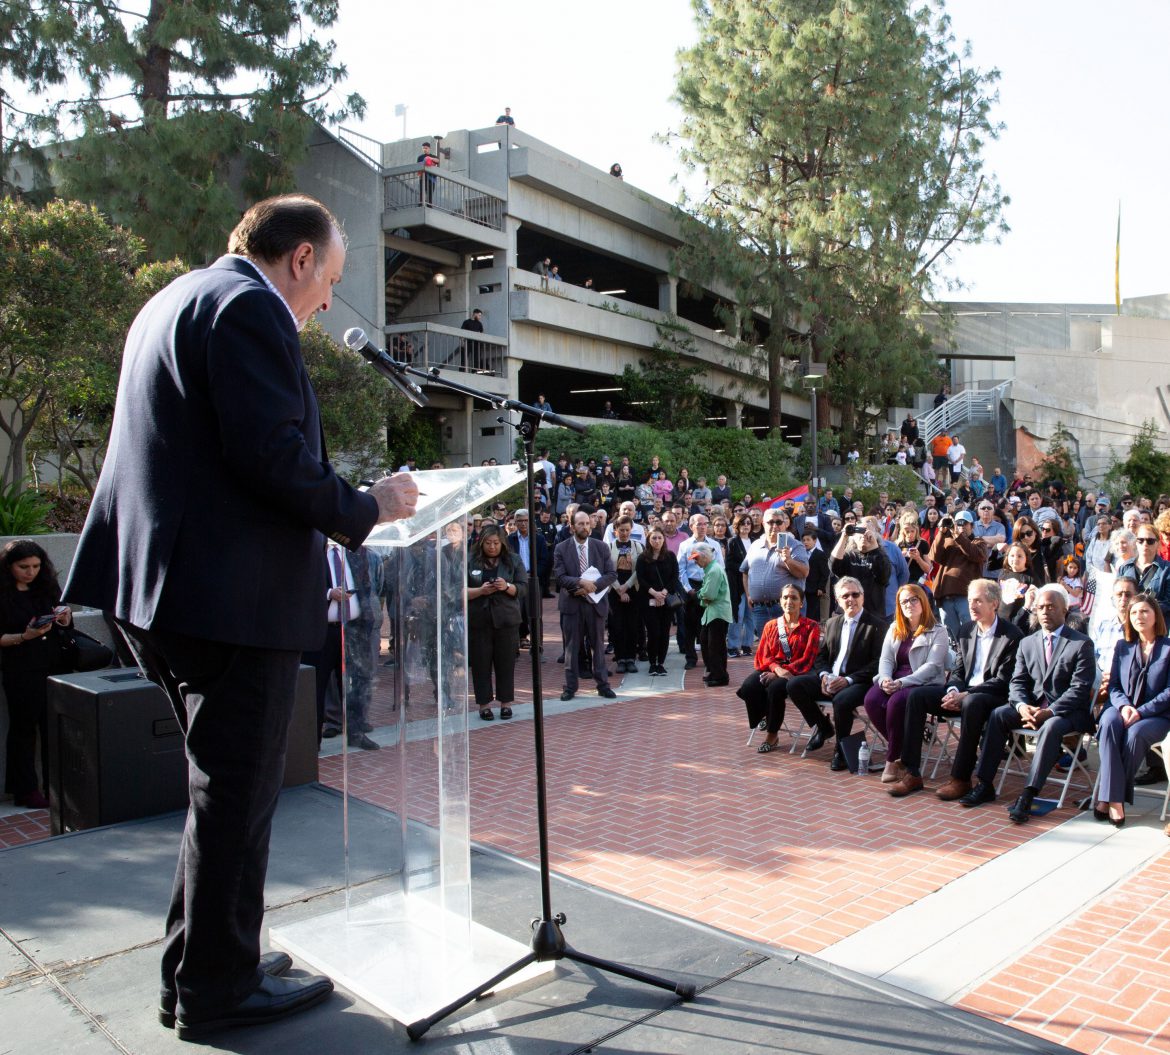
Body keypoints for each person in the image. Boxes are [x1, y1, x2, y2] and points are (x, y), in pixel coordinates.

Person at [61, 195, 420, 1039]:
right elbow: (271, 456)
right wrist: (370, 504)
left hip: (162, 593)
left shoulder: (178, 298)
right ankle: (216, 987)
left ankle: (200, 967)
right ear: (298, 259)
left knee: (219, 788)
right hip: (225, 599)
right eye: (329, 278)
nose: (328, 300)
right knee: (236, 791)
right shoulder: (251, 307)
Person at [959, 584, 1095, 823]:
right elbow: (1017, 682)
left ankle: (1029, 794)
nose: (1044, 611)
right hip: (1032, 708)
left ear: (1064, 610)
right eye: (1040, 607)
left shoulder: (1081, 643)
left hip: (1067, 712)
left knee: (1052, 726)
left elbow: (1080, 690)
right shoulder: (1028, 642)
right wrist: (1022, 706)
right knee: (999, 714)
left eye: (1051, 607)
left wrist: (1049, 711)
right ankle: (985, 784)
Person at [891, 579, 1023, 799]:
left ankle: (961, 779)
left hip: (993, 696)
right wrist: (952, 690)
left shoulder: (1012, 635)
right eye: (970, 600)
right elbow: (959, 671)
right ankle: (911, 772)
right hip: (964, 692)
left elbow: (1004, 680)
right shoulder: (966, 630)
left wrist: (966, 694)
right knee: (917, 696)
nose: (972, 606)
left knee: (973, 702)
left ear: (994, 604)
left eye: (979, 601)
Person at [1, 540, 74, 810]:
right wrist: (24, 636)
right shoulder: (3, 594)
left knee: (53, 729)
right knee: (23, 729)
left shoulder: (46, 587)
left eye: (35, 566)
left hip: (54, 664)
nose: (30, 572)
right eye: (23, 567)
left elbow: (64, 617)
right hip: (21, 668)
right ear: (9, 567)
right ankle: (26, 790)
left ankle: (58, 788)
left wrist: (63, 616)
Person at [786, 577, 887, 769]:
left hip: (860, 682)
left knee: (842, 700)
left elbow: (878, 663)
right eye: (845, 595)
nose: (851, 599)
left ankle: (841, 750)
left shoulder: (877, 626)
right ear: (838, 600)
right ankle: (824, 727)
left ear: (862, 597)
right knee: (794, 685)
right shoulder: (832, 623)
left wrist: (847, 680)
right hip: (830, 679)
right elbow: (820, 656)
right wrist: (824, 675)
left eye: (855, 594)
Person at [1095, 593, 1170, 826]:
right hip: (1119, 706)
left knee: (1135, 735)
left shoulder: (1168, 648)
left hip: (1156, 714)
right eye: (1134, 612)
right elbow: (1114, 685)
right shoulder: (1123, 646)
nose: (1139, 616)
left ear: (1155, 616)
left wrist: (1141, 711)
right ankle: (1116, 799)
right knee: (1108, 724)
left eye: (1145, 611)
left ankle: (1109, 798)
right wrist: (1126, 706)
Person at [863, 584, 949, 782]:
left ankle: (892, 759)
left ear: (923, 601)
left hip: (921, 682)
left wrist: (901, 683)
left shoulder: (938, 631)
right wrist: (885, 678)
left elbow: (932, 666)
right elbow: (885, 660)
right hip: (894, 678)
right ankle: (904, 747)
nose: (909, 604)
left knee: (896, 702)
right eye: (903, 601)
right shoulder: (895, 627)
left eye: (913, 599)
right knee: (872, 699)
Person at [742, 584, 821, 751]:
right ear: (780, 601)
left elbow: (807, 659)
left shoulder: (811, 627)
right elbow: (763, 655)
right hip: (772, 668)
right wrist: (776, 669)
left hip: (796, 672)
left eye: (794, 598)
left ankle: (772, 734)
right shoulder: (771, 626)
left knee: (775, 689)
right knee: (748, 687)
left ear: (801, 603)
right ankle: (765, 715)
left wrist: (782, 674)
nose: (789, 601)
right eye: (785, 597)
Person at [554, 510, 617, 700]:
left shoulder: (601, 547)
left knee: (598, 646)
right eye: (580, 524)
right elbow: (560, 576)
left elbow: (611, 574)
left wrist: (593, 586)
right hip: (572, 604)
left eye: (587, 524)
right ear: (572, 527)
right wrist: (581, 583)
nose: (585, 527)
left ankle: (603, 685)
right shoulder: (561, 548)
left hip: (595, 604)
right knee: (572, 649)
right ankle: (570, 687)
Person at [467, 525, 526, 721]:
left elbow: (523, 588)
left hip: (506, 620)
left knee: (505, 663)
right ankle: (484, 705)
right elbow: (457, 589)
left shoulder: (513, 560)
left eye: (496, 543)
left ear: (502, 543)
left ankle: (506, 703)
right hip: (479, 621)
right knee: (480, 664)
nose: (492, 547)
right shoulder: (469, 560)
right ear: (481, 543)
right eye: (488, 543)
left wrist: (506, 586)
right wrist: (480, 591)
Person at [740, 508, 810, 639]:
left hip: (786, 607)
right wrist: (749, 594)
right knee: (768, 648)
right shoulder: (755, 545)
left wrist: (788, 560)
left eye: (779, 522)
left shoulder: (795, 546)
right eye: (770, 522)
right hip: (760, 609)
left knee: (789, 646)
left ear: (785, 524)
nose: (775, 526)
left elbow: (804, 573)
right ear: (762, 524)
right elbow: (745, 571)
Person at [927, 510, 986, 638]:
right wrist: (941, 532)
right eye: (958, 523)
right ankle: (957, 656)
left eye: (965, 523)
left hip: (967, 596)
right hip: (946, 595)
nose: (961, 526)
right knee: (951, 636)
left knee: (971, 634)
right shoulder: (947, 540)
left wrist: (958, 536)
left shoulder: (978, 542)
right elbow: (934, 556)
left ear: (972, 526)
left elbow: (975, 555)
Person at [829, 520, 889, 620]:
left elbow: (884, 576)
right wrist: (844, 536)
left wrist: (874, 546)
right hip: (848, 612)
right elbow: (834, 565)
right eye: (860, 532)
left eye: (867, 532)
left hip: (873, 613)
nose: (863, 535)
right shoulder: (849, 555)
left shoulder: (880, 556)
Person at [607, 516, 643, 673]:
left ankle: (630, 658)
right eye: (621, 530)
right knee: (617, 625)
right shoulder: (608, 547)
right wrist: (619, 589)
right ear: (616, 531)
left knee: (633, 625)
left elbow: (639, 570)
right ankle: (620, 657)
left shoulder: (637, 546)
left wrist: (627, 586)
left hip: (633, 590)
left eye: (627, 530)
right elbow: (607, 570)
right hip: (615, 591)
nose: (624, 533)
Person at [1117, 525, 1170, 619]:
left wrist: (1144, 609)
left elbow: (1168, 602)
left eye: (1150, 541)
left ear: (1158, 543)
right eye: (1140, 540)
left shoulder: (1167, 569)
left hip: (1156, 624)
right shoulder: (1125, 567)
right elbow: (1116, 595)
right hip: (1128, 622)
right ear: (1135, 543)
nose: (1145, 544)